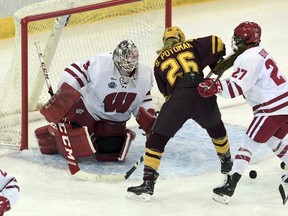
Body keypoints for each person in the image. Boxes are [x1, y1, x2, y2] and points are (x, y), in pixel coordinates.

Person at [126, 26, 233, 201]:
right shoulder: (191, 45)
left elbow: (167, 94)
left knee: (157, 140)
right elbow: (216, 42)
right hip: (201, 93)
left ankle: (147, 184)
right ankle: (227, 167)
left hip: (178, 99)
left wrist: (169, 115)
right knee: (216, 129)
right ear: (181, 38)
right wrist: (215, 63)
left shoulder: (158, 62)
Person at [197, 21, 288, 204]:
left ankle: (228, 187)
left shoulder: (247, 58)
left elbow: (237, 88)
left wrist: (215, 87)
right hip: (284, 105)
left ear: (245, 39)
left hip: (270, 109)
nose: (235, 41)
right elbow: (244, 80)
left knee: (248, 145)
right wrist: (218, 84)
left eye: (238, 38)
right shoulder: (259, 53)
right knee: (273, 139)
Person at [35, 39, 157, 162]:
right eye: (125, 64)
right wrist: (63, 98)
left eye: (131, 64)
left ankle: (95, 139)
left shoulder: (145, 74)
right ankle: (56, 134)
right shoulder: (101, 64)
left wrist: (149, 118)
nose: (128, 68)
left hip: (113, 120)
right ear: (116, 59)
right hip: (88, 109)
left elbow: (143, 99)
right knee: (74, 138)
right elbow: (73, 72)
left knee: (110, 152)